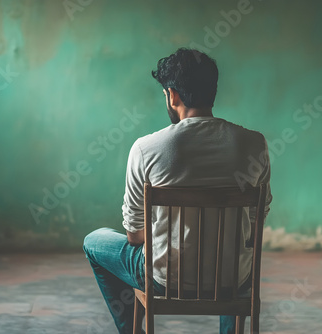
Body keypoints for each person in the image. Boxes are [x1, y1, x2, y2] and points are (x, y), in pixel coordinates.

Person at [83, 48, 273, 334]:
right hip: (235, 279)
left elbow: (135, 236)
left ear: (172, 95)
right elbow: (254, 227)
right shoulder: (254, 144)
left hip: (164, 280)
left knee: (94, 241)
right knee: (232, 250)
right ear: (212, 91)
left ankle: (128, 329)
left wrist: (169, 233)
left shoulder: (146, 149)